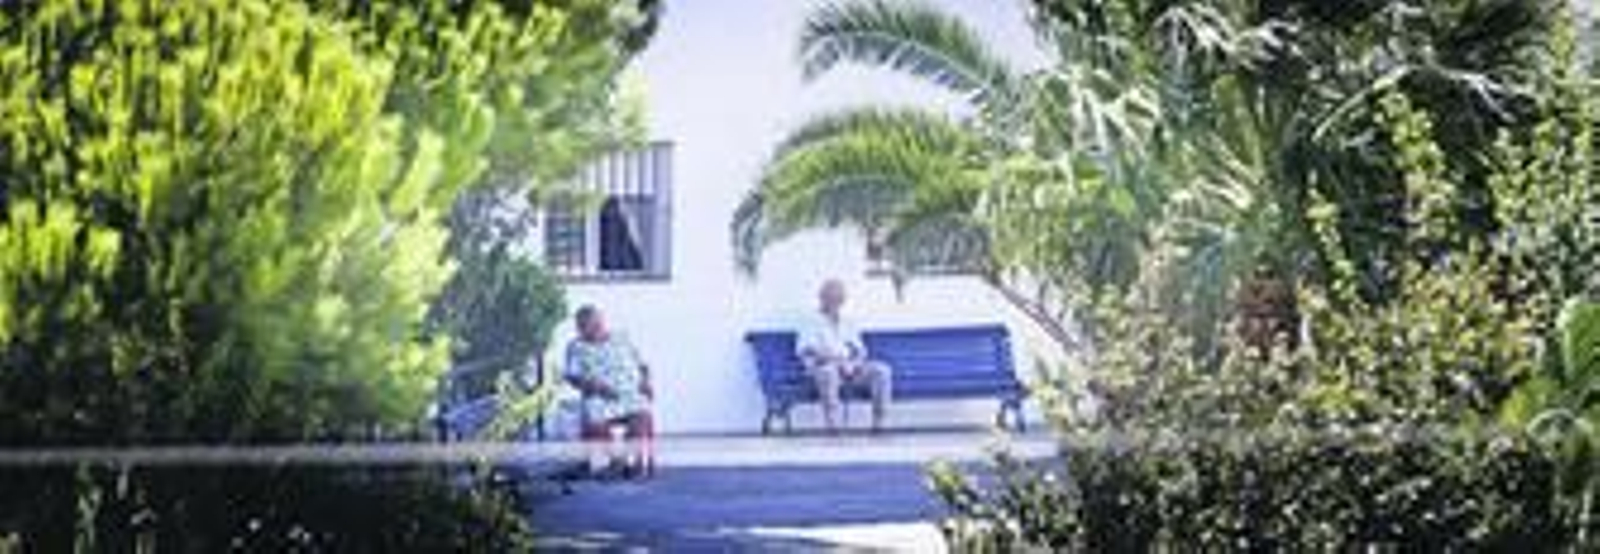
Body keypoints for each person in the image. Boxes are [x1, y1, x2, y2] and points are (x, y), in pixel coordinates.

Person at [563, 305, 654, 477]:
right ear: (580, 329)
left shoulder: (622, 337)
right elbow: (571, 376)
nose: (595, 329)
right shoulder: (576, 347)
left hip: (629, 391)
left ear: (603, 321)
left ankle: (632, 461)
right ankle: (617, 459)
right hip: (600, 394)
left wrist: (646, 381)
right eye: (587, 327)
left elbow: (643, 364)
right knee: (595, 418)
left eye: (598, 324)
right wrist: (594, 386)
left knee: (641, 414)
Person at [796, 279, 893, 434]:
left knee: (882, 370)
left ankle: (879, 424)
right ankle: (833, 426)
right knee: (829, 372)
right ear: (822, 299)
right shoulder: (810, 321)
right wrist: (836, 361)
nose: (835, 302)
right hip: (823, 367)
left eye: (838, 299)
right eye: (830, 298)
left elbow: (860, 349)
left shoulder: (847, 322)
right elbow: (806, 350)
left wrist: (853, 363)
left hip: (851, 368)